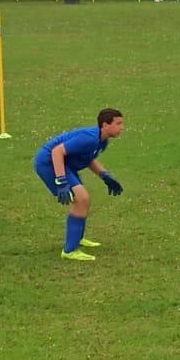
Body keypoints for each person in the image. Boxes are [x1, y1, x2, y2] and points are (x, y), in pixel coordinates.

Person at [33, 108, 126, 262]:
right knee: (81, 199)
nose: (122, 127)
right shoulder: (89, 138)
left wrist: (105, 175)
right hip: (49, 162)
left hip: (66, 163)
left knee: (83, 199)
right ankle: (70, 251)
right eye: (118, 123)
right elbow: (57, 152)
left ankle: (77, 239)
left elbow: (87, 158)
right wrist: (61, 180)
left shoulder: (102, 141)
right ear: (105, 125)